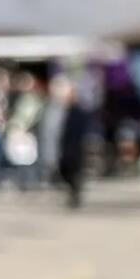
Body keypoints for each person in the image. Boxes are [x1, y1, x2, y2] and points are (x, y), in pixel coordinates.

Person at [56, 79, 89, 209]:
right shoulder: (64, 111)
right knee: (66, 172)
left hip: (75, 147)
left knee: (74, 173)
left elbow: (81, 130)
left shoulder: (79, 112)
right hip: (66, 147)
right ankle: (73, 193)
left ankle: (75, 195)